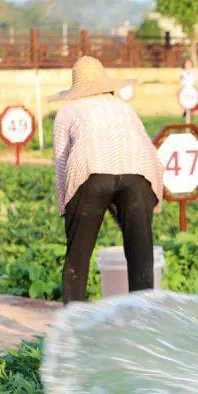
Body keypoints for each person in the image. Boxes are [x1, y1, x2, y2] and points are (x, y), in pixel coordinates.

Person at [52, 56, 163, 303]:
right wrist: (154, 203)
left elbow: (61, 162)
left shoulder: (68, 110)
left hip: (90, 174)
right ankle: (143, 320)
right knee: (140, 254)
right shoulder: (124, 108)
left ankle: (74, 325)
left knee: (77, 257)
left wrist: (66, 207)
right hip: (138, 175)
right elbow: (150, 151)